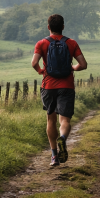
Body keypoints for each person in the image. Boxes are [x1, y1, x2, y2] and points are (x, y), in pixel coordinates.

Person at [31, 14, 88, 167]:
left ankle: (54, 156)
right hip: (67, 86)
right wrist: (73, 68)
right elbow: (83, 64)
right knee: (65, 120)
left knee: (51, 119)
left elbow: (34, 62)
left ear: (48, 27)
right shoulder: (71, 43)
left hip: (48, 86)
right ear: (63, 27)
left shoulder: (42, 43)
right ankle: (62, 137)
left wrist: (40, 71)